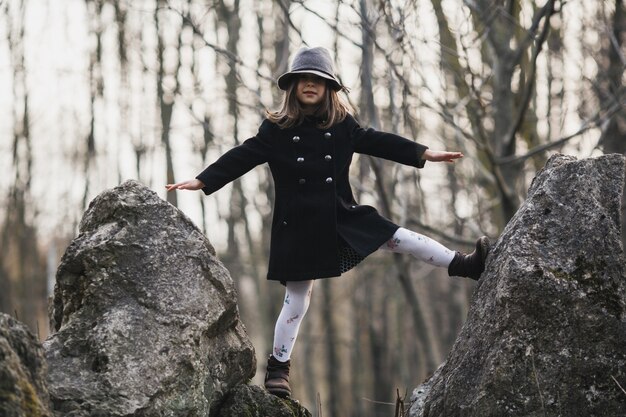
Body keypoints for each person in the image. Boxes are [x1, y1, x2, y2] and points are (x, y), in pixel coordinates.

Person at [166, 46, 490, 399]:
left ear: (328, 87)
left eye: (316, 80)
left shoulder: (342, 126)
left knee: (401, 237)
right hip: (298, 225)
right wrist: (204, 179)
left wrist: (422, 153)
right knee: (297, 298)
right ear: (292, 86)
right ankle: (278, 371)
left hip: (341, 216)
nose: (309, 84)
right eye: (302, 78)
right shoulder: (275, 130)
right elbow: (243, 155)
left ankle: (464, 265)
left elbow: (377, 141)